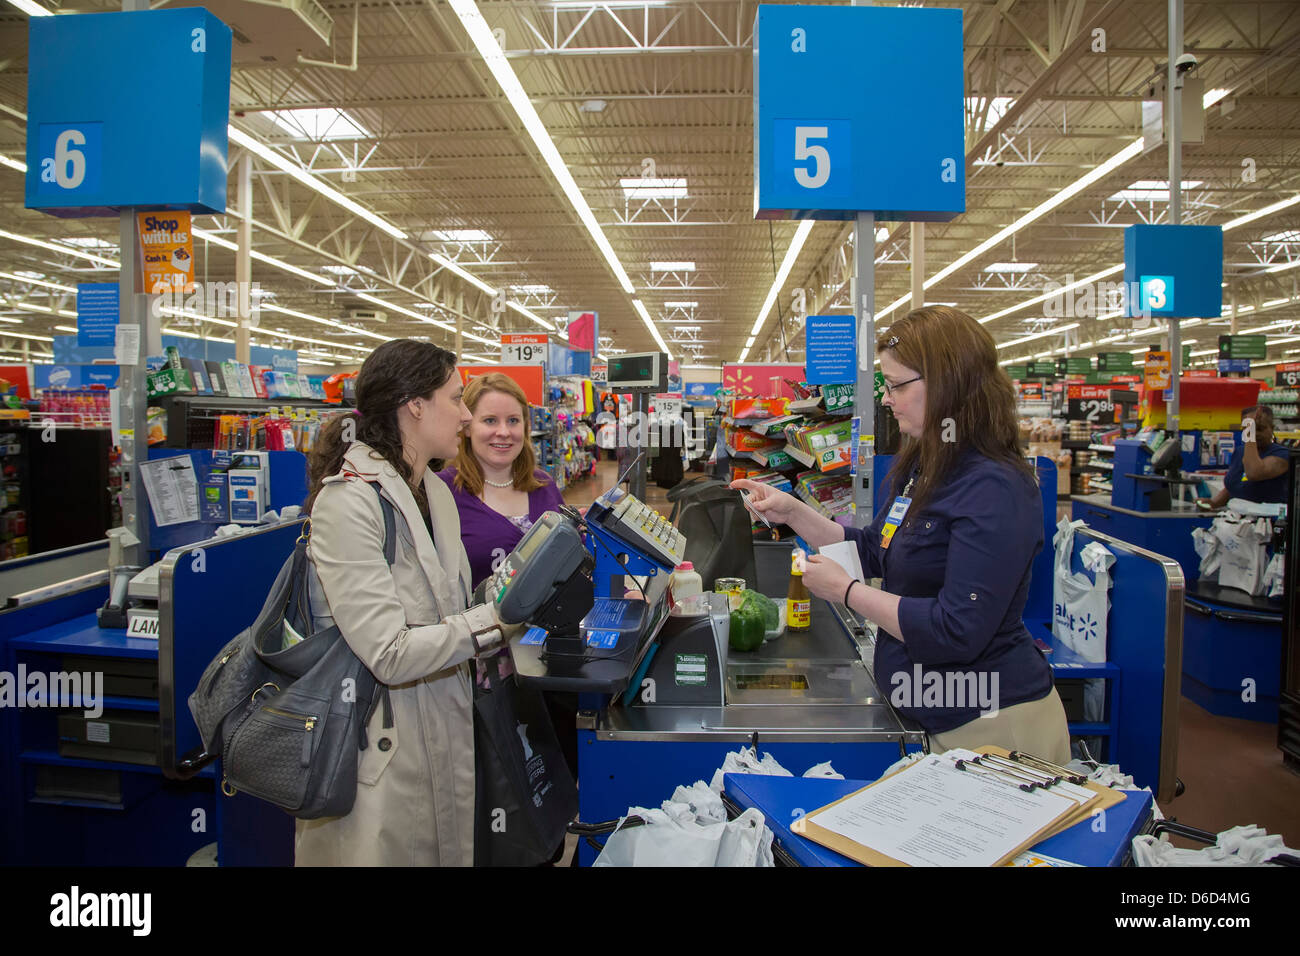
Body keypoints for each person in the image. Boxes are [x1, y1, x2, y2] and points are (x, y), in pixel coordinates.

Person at [733, 306, 1071, 763]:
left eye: (895, 386)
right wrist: (792, 512)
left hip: (990, 727)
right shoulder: (926, 465)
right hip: (931, 716)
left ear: (948, 384)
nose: (887, 399)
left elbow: (958, 629)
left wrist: (847, 592)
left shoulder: (995, 488)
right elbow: (876, 548)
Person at [298, 339, 510, 866]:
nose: (465, 415)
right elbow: (389, 652)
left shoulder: (436, 493)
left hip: (440, 724)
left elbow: (448, 605)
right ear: (414, 405)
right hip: (379, 748)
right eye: (457, 399)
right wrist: (499, 620)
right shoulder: (347, 502)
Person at [437, 372, 578, 859]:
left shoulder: (542, 487)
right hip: (481, 674)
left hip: (546, 670)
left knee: (548, 784)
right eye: (489, 420)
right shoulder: (442, 493)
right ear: (466, 426)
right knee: (497, 793)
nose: (503, 432)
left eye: (513, 420)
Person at [1200, 405, 1292, 508]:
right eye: (1248, 429)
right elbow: (1236, 485)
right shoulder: (1240, 451)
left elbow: (1253, 473)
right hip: (1237, 519)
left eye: (1260, 429)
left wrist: (1250, 434)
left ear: (1272, 428)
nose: (1255, 433)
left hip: (1267, 521)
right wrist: (1214, 503)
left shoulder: (1283, 455)